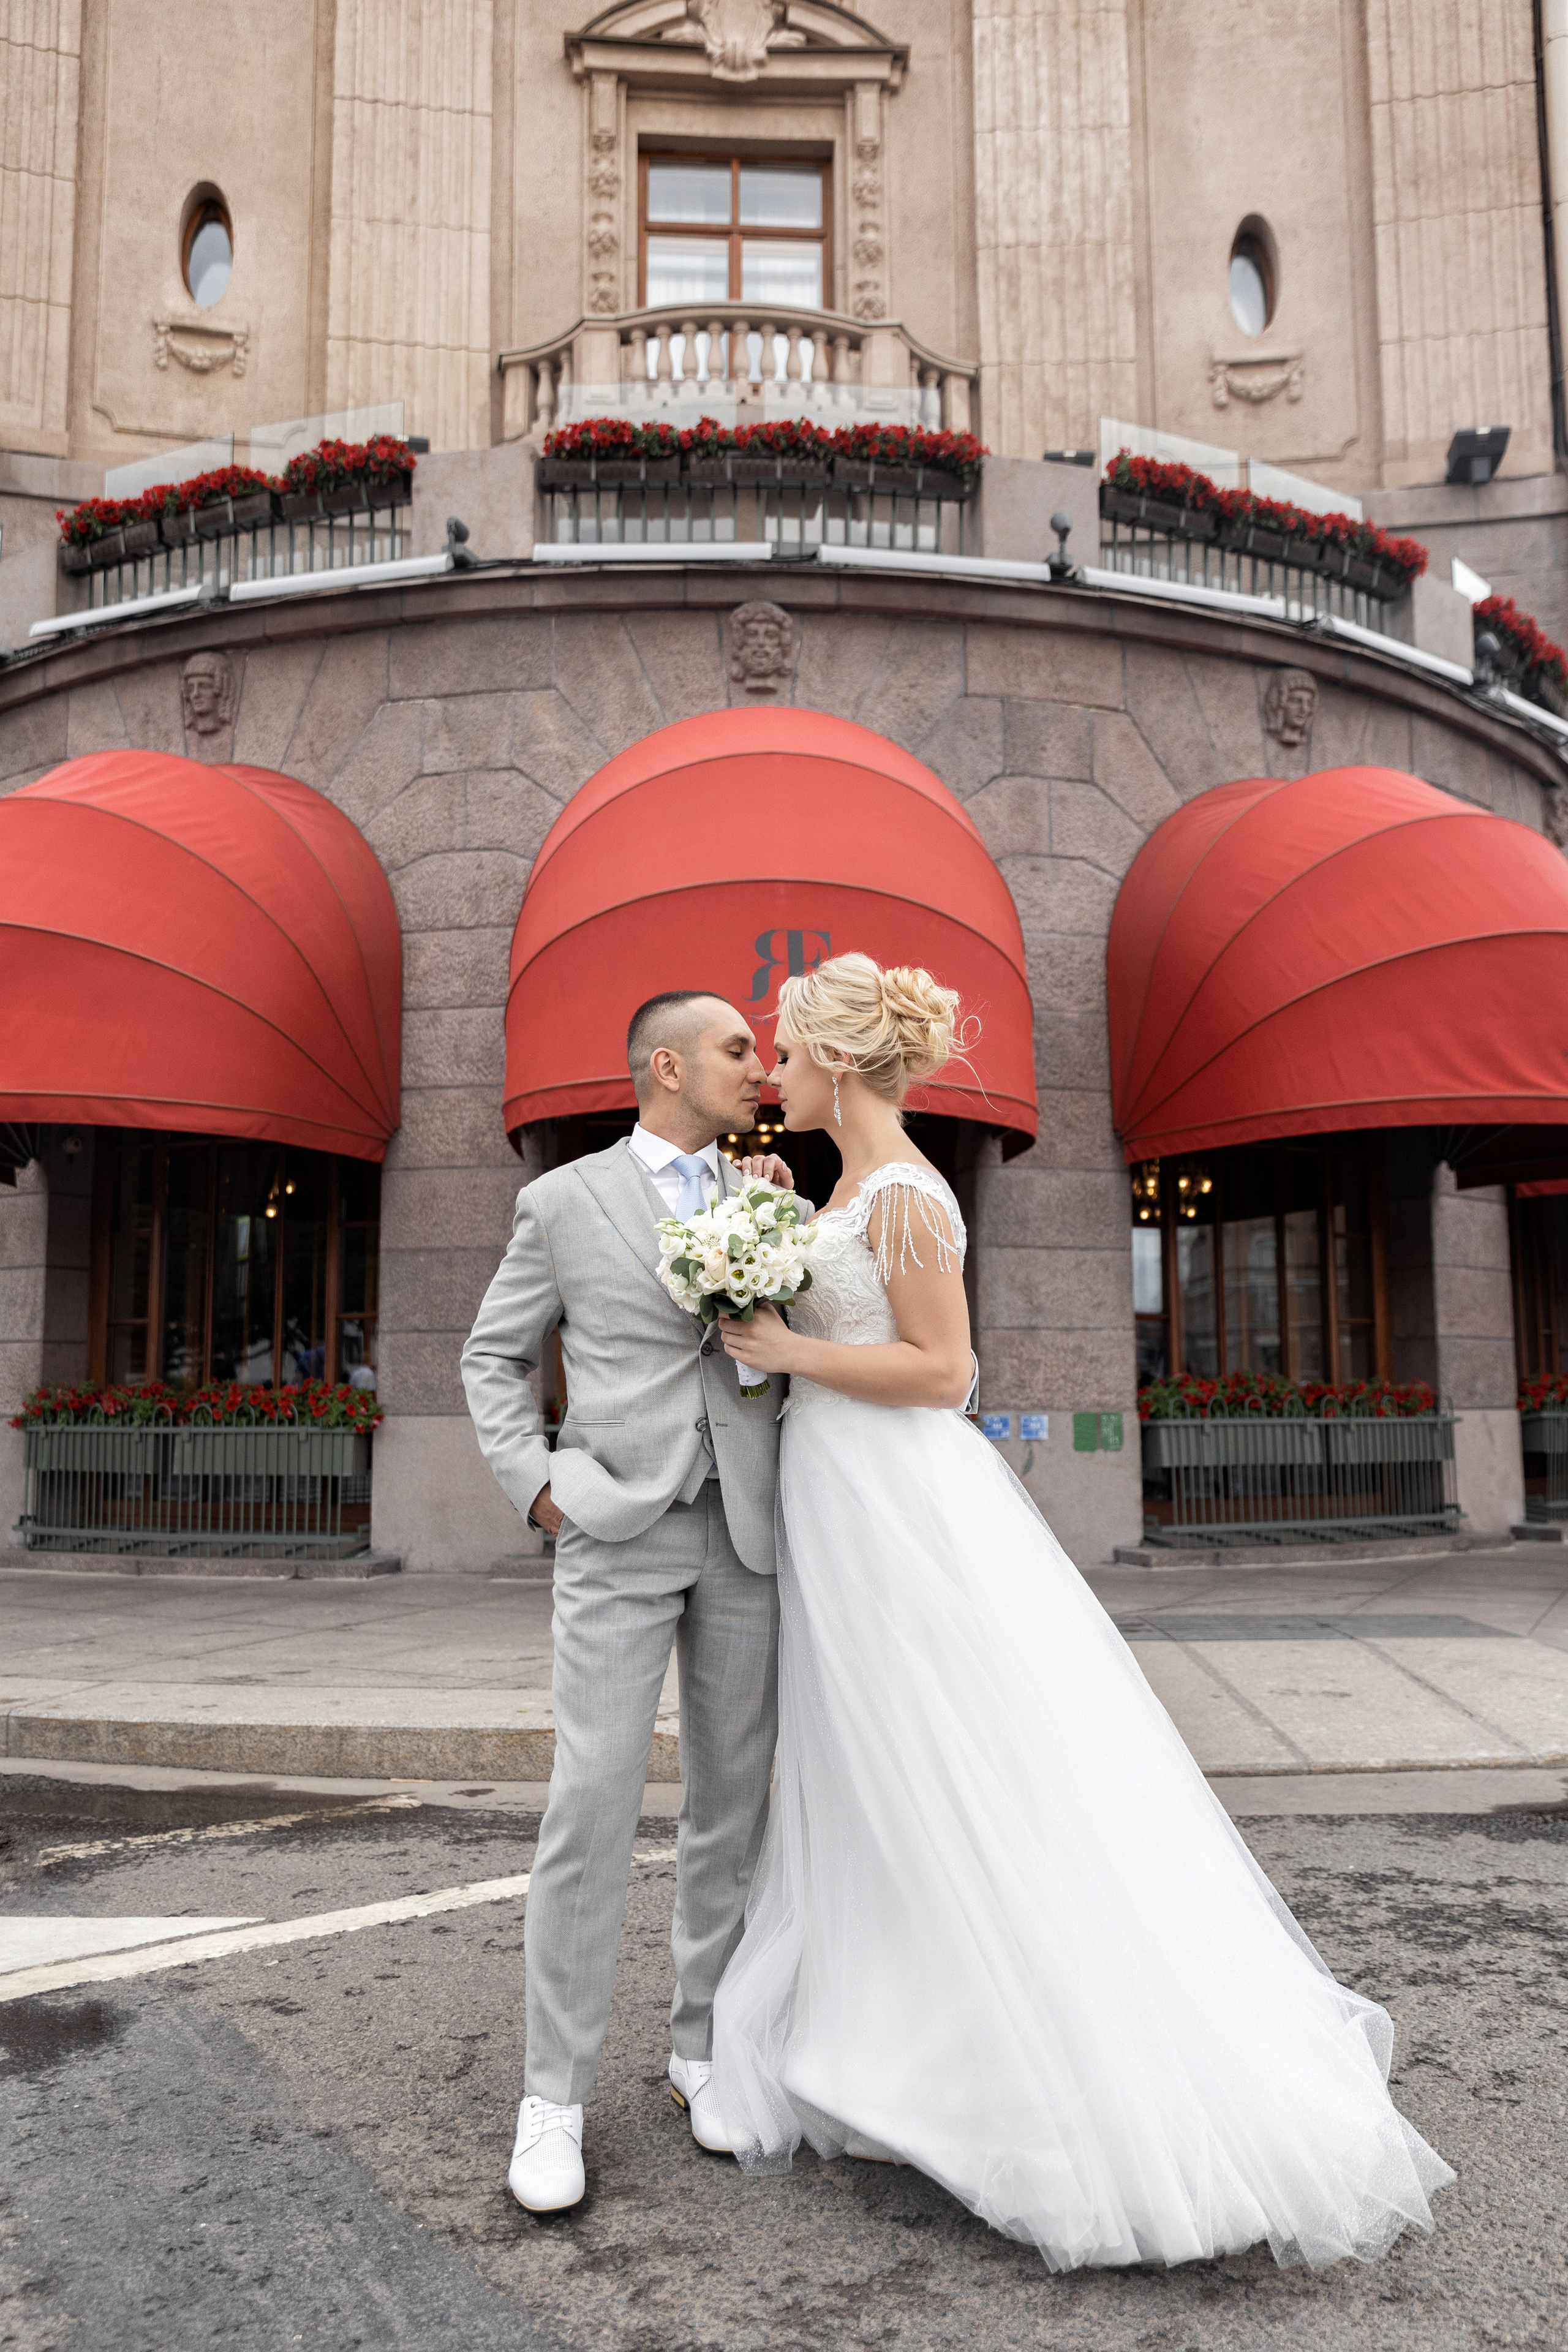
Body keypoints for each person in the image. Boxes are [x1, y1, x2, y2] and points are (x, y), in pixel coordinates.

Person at [707, 951, 1455, 2271]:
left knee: (946, 1761)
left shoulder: (905, 1191)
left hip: (895, 1499)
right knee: (873, 1769)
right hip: (840, 1492)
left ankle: (1007, 2064)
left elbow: (944, 1370)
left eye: (787, 1049)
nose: (773, 1071)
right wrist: (767, 1233)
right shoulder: (848, 1190)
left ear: (839, 1060)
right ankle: (894, 2034)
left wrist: (785, 1348)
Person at [462, 990, 794, 2212]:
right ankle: (552, 2096)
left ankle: (701, 2050)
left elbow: (780, 1350)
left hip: (747, 1529)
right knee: (592, 1801)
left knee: (731, 1804)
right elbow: (493, 1357)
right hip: (613, 1528)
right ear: (666, 1066)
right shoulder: (563, 1201)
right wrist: (539, 1488)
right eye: (736, 1049)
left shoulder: (769, 1194)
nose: (759, 1066)